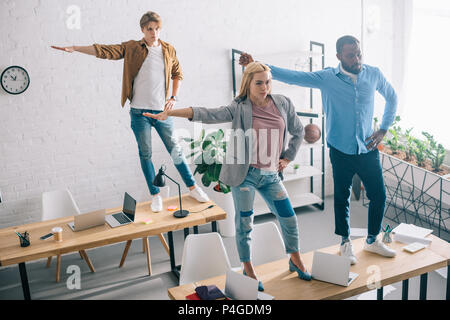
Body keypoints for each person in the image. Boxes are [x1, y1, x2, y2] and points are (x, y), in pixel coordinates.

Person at [144, 62, 312, 289]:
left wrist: (288, 157)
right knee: (245, 223)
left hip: (271, 175)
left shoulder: (282, 103)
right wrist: (170, 113)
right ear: (249, 84)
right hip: (245, 177)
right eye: (259, 83)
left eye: (268, 81)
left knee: (289, 217)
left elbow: (299, 130)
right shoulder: (240, 107)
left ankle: (295, 259)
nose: (265, 87)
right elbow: (208, 113)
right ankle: (248, 268)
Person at [239, 35, 398, 264]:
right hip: (340, 150)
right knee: (341, 197)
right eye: (350, 55)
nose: (356, 58)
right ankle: (345, 242)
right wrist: (259, 66)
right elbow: (294, 77)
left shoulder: (373, 74)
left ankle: (372, 240)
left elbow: (392, 97)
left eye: (358, 53)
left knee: (379, 195)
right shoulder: (327, 78)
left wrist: (383, 129)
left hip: (367, 148)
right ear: (339, 56)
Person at [51, 11, 209, 211]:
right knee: (146, 154)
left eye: (157, 28)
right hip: (139, 113)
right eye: (149, 29)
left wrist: (173, 98)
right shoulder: (133, 47)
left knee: (175, 150)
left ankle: (193, 188)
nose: (154, 32)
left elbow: (177, 74)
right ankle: (156, 195)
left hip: (162, 113)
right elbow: (105, 50)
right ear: (142, 30)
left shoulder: (168, 50)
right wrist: (75, 48)